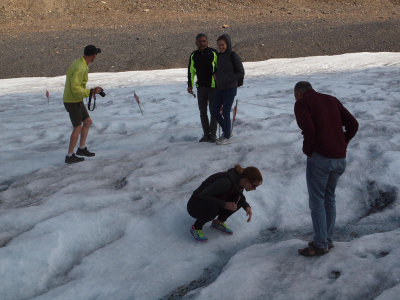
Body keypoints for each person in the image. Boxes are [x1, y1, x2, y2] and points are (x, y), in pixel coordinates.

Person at [294, 81, 358, 256]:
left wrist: (308, 150)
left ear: (299, 93)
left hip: (321, 158)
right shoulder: (331, 99)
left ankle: (320, 244)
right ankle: (327, 240)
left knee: (317, 200)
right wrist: (342, 143)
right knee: (329, 198)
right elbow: (353, 124)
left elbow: (309, 129)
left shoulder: (302, 103)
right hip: (339, 158)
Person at [187, 165, 262, 242]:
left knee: (237, 202)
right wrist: (224, 204)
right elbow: (203, 195)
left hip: (209, 201)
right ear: (246, 180)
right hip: (195, 205)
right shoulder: (226, 182)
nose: (255, 188)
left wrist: (247, 207)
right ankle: (196, 228)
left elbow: (240, 197)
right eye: (254, 185)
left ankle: (218, 222)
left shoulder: (239, 182)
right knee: (214, 208)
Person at [63, 45, 104, 164]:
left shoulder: (81, 64)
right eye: (96, 54)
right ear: (92, 55)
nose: (96, 56)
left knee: (87, 122)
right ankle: (69, 156)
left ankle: (81, 149)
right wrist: (90, 92)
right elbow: (75, 88)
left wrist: (89, 92)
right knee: (77, 127)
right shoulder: (80, 68)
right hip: (72, 101)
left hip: (76, 99)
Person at [212, 34, 244, 145]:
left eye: (223, 44)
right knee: (214, 111)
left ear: (227, 44)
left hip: (230, 88)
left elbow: (241, 72)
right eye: (219, 45)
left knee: (225, 111)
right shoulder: (218, 56)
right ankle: (227, 131)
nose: (220, 47)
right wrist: (215, 74)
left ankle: (226, 136)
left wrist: (229, 78)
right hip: (220, 88)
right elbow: (218, 69)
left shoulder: (233, 55)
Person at [188, 33, 218, 142]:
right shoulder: (193, 55)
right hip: (201, 87)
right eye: (200, 41)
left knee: (213, 112)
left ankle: (213, 135)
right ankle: (206, 134)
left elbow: (219, 68)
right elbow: (191, 72)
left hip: (213, 87)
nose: (202, 43)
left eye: (204, 41)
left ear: (207, 42)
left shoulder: (214, 53)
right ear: (196, 43)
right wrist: (190, 85)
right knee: (203, 112)